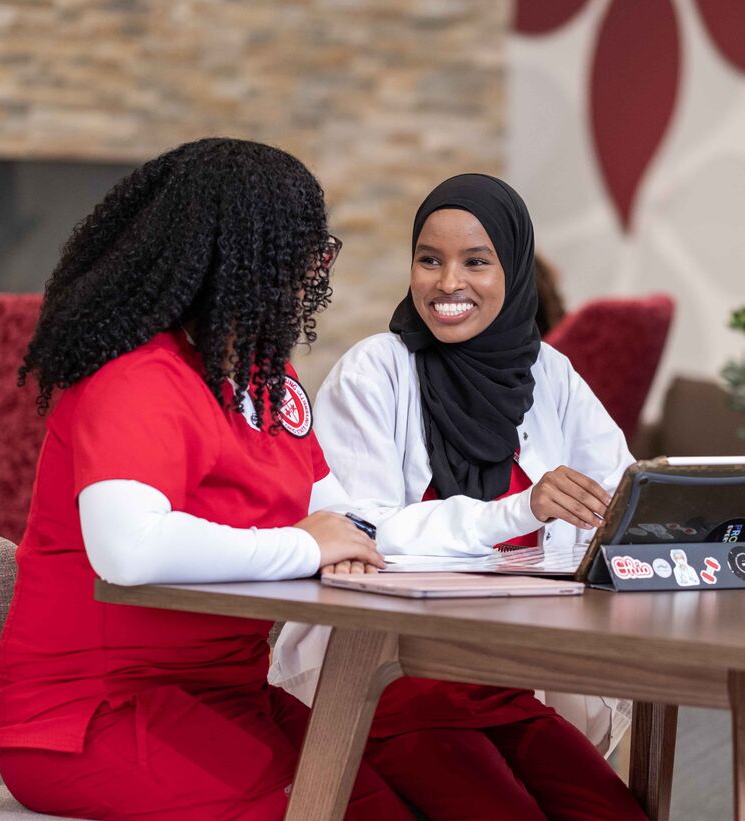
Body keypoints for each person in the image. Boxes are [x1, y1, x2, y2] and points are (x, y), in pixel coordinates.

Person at [0, 138, 413, 820]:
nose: (315, 269)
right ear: (242, 259)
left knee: (380, 800)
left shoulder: (264, 383)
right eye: (302, 250)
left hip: (225, 694)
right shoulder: (134, 377)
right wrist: (306, 548)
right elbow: (130, 549)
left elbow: (340, 516)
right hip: (93, 713)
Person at [270, 173, 645, 821]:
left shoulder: (548, 375)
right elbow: (361, 534)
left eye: (476, 261)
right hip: (387, 680)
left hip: (507, 681)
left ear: (515, 267)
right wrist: (522, 512)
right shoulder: (374, 370)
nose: (448, 283)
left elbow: (622, 496)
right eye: (429, 260)